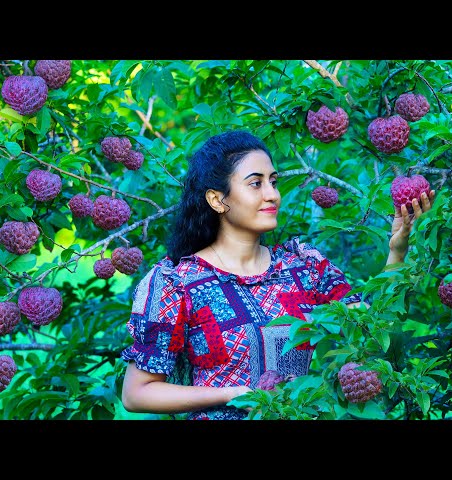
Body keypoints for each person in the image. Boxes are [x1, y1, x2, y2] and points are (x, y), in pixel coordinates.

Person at [120, 130, 435, 420]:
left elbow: (371, 330)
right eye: (256, 183)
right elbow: (138, 393)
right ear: (218, 199)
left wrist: (398, 251)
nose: (272, 194)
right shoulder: (178, 283)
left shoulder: (303, 268)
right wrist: (236, 394)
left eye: (274, 181)